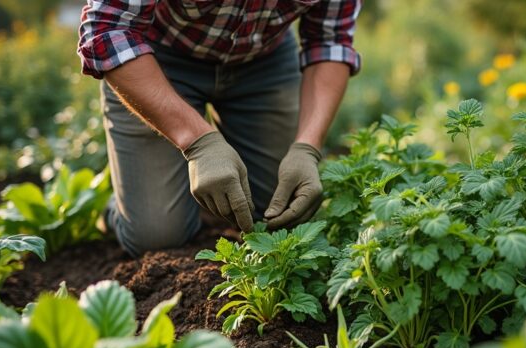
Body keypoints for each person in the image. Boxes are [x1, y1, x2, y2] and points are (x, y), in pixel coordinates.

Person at [77, 0, 361, 255]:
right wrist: (200, 143)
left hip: (263, 61)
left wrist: (307, 147)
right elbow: (108, 29)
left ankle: (187, 182)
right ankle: (124, 204)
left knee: (282, 215)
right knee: (156, 235)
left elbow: (330, 41)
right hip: (157, 58)